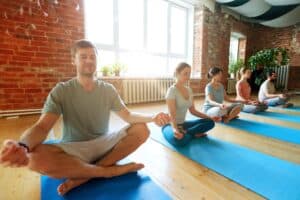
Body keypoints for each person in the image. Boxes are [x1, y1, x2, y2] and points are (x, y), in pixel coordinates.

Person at [0, 40, 170, 196]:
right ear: (73, 60)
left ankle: (85, 175)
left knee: (142, 129)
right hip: (73, 151)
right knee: (33, 158)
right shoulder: (62, 90)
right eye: (83, 57)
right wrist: (22, 146)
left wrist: (153, 117)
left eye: (92, 57)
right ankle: (108, 171)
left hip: (104, 144)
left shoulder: (108, 89)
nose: (89, 60)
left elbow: (128, 116)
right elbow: (42, 127)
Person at [162, 63, 220, 147]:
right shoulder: (171, 91)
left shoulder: (189, 90)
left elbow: (193, 111)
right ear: (177, 74)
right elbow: (172, 115)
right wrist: (175, 130)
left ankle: (187, 133)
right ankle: (193, 134)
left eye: (189, 74)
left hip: (183, 125)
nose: (188, 77)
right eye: (185, 74)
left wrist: (210, 117)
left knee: (210, 122)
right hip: (170, 124)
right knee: (179, 141)